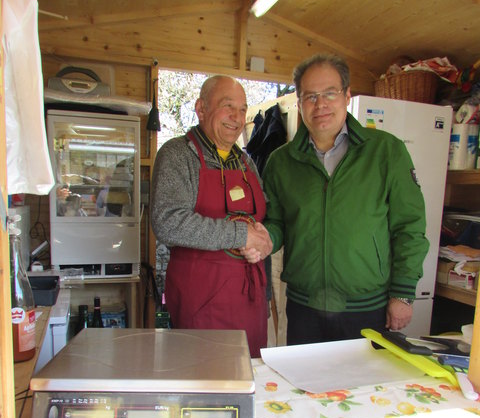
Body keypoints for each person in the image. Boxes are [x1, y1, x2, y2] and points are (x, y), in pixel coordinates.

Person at [260, 53, 429, 345]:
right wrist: (261, 238)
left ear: (347, 96)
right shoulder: (281, 162)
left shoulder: (386, 152)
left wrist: (402, 294)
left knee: (367, 391)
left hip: (368, 310)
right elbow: (276, 222)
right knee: (306, 388)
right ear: (299, 103)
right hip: (304, 311)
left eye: (330, 93)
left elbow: (409, 227)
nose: (320, 104)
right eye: (310, 96)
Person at [150, 75, 272, 357]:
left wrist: (265, 240)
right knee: (203, 380)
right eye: (228, 106)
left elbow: (264, 214)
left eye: (243, 109)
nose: (237, 117)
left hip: (248, 300)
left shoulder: (245, 162)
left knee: (249, 375)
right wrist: (241, 235)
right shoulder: (178, 155)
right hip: (201, 300)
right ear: (201, 109)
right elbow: (167, 222)